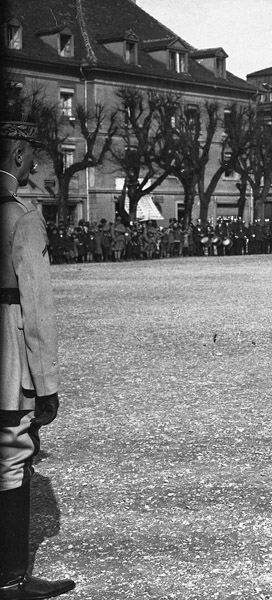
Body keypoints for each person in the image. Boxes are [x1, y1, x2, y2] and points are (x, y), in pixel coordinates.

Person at [0, 113, 76, 598]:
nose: (32, 161)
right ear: (17, 154)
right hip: (6, 348)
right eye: (31, 152)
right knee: (11, 452)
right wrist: (46, 385)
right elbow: (37, 307)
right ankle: (10, 578)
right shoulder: (22, 215)